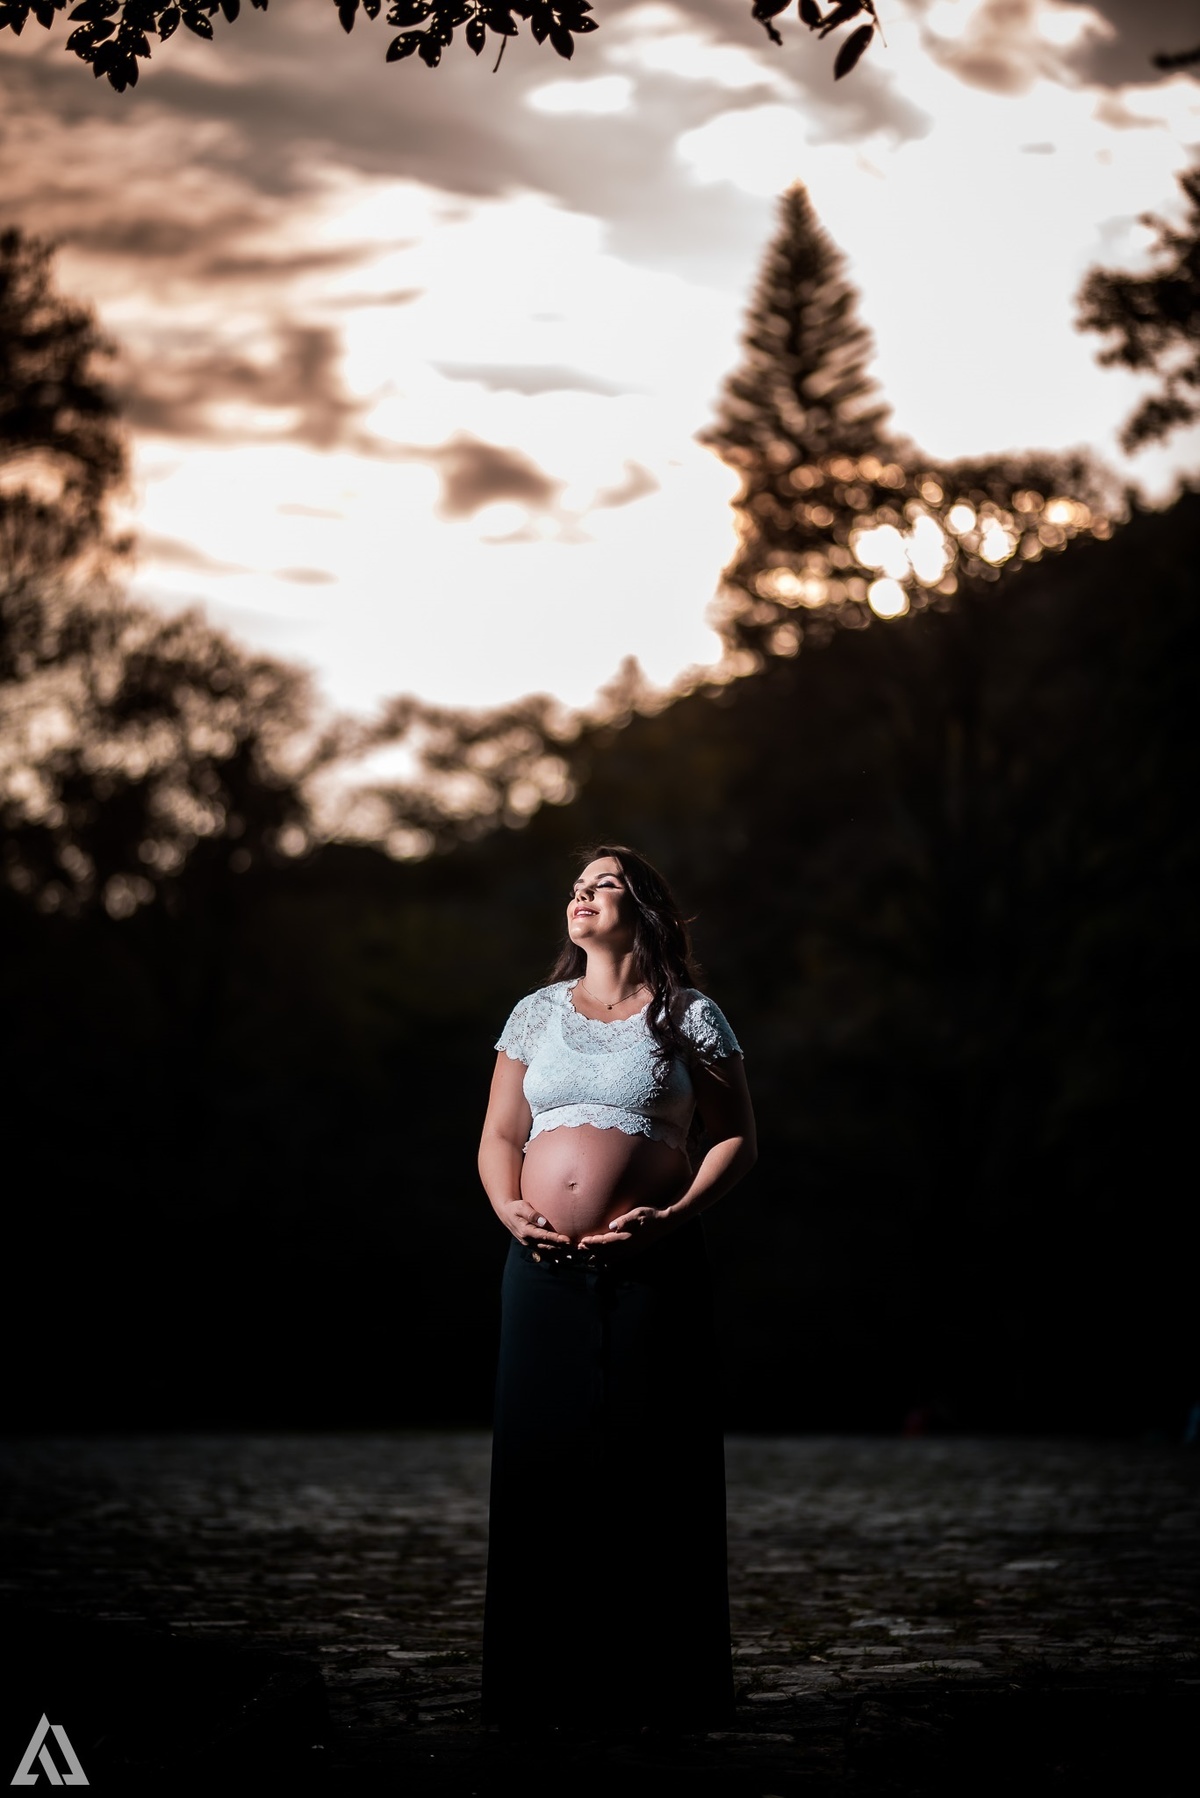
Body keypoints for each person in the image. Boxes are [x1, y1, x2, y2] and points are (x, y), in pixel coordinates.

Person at [477, 843, 757, 1735]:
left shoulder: (691, 1016)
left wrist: (671, 1217)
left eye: (602, 884)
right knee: (538, 1465)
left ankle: (666, 1688)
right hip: (541, 1268)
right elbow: (497, 1135)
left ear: (645, 907)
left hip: (655, 1265)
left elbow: (736, 1138)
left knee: (655, 1461)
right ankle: (537, 1686)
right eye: (575, 887)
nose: (582, 896)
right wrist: (510, 1210)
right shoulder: (534, 1014)